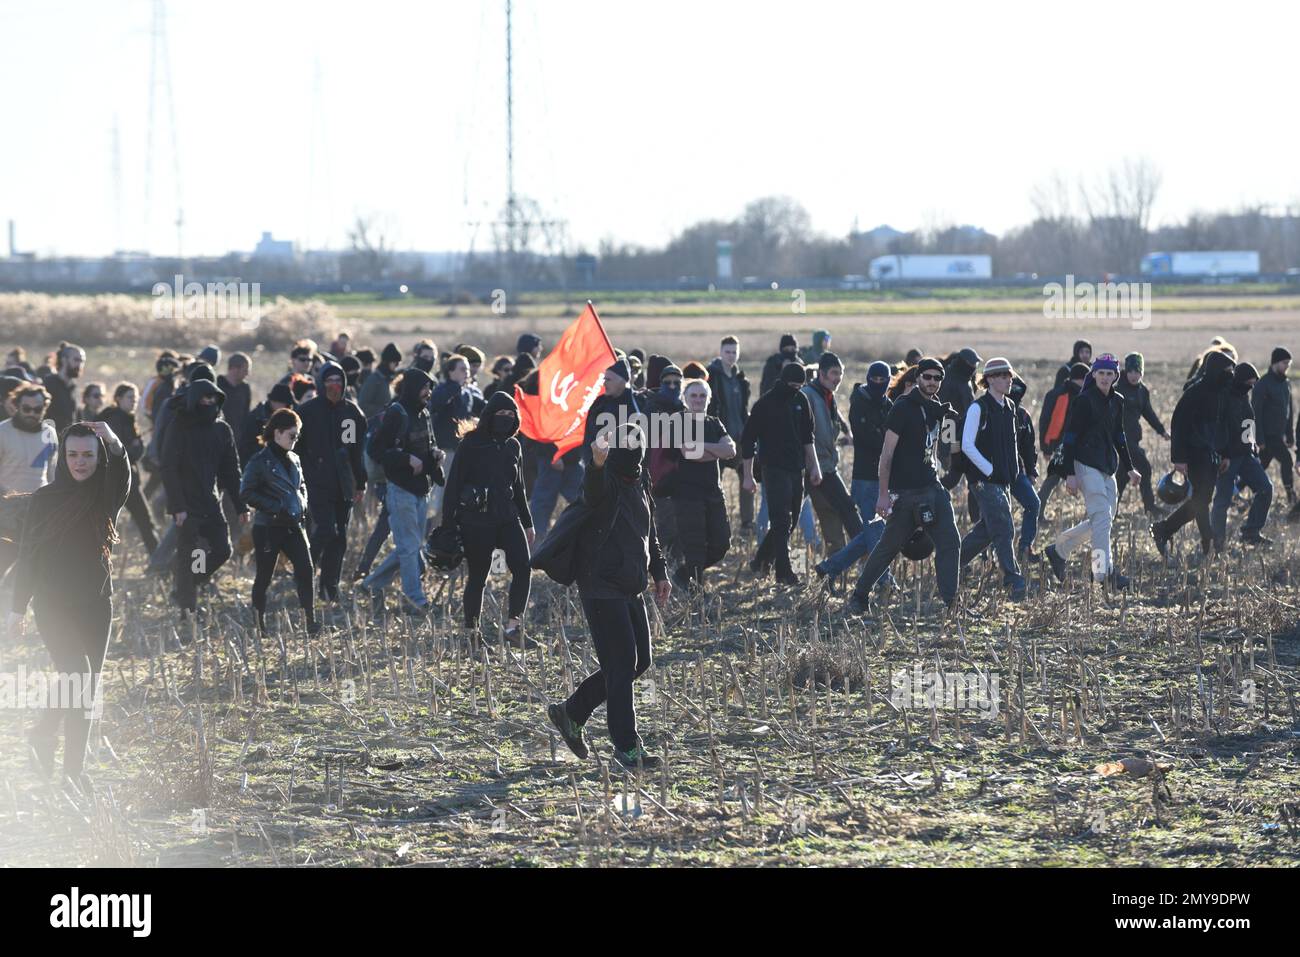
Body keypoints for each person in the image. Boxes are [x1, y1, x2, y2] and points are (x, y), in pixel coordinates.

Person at [7, 420, 131, 786]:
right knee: (78, 676)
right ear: (64, 456)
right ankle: (51, 746)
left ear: (98, 457)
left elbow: (122, 472)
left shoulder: (105, 495)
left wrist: (111, 437)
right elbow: (28, 555)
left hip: (96, 604)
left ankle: (70, 769)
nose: (80, 462)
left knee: (85, 686)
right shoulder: (45, 499)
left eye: (88, 455)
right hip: (52, 606)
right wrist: (18, 608)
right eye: (73, 454)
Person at [546, 424, 671, 771]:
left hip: (631, 586)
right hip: (600, 587)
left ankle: (571, 712)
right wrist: (597, 464)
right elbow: (592, 488)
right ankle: (627, 748)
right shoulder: (605, 483)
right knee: (620, 667)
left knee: (638, 662)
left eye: (638, 447)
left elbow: (651, 533)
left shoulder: (641, 481)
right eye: (626, 448)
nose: (634, 455)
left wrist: (659, 572)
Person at [844, 357, 961, 615]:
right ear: (918, 377)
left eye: (937, 378)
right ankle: (859, 596)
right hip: (906, 493)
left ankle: (952, 603)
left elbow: (946, 445)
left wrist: (952, 437)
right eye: (927, 377)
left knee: (951, 542)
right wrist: (883, 496)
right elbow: (886, 456)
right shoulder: (903, 408)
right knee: (888, 548)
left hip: (932, 488)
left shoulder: (936, 409)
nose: (932, 382)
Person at [440, 391, 535, 645]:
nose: (505, 419)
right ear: (489, 416)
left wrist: (528, 523)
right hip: (477, 522)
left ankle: (514, 628)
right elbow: (453, 486)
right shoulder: (471, 444)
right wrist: (448, 525)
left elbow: (520, 488)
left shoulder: (514, 446)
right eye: (500, 414)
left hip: (507, 519)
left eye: (510, 415)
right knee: (479, 577)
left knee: (524, 569)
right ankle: (472, 634)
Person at [1042, 354, 1141, 589]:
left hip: (1107, 466)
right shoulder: (1084, 401)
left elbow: (1119, 436)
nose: (1105, 377)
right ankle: (1103, 574)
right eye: (1101, 373)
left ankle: (1059, 550)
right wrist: (1070, 474)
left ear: (1116, 376)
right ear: (1094, 374)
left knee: (1103, 519)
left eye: (1110, 373)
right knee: (1102, 519)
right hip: (1084, 464)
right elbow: (1070, 438)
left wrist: (1130, 468)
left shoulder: (1118, 400)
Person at [161, 378, 248, 617]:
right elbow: (168, 468)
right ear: (194, 399)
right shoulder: (179, 426)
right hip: (187, 506)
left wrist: (241, 505)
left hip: (211, 502)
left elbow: (231, 470)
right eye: (204, 398)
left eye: (213, 399)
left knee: (222, 550)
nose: (209, 403)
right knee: (191, 555)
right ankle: (187, 609)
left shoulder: (222, 430)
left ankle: (183, 583)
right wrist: (178, 507)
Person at [362, 367, 444, 617]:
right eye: (423, 387)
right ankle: (415, 598)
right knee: (409, 547)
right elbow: (377, 450)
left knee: (410, 546)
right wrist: (405, 458)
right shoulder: (396, 413)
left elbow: (428, 444)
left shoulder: (425, 413)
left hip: (422, 488)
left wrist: (435, 455)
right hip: (400, 490)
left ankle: (372, 583)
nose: (427, 392)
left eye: (429, 387)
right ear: (411, 388)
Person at [813, 360, 893, 590]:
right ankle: (883, 580)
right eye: (875, 379)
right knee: (876, 534)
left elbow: (890, 434)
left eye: (882, 380)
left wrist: (886, 437)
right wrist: (886, 439)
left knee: (867, 536)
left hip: (883, 478)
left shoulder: (887, 403)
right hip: (866, 479)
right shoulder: (860, 402)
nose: (878, 384)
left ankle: (828, 568)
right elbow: (869, 438)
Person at [741, 362, 821, 586]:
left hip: (797, 468)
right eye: (792, 385)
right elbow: (747, 440)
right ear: (783, 382)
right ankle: (784, 573)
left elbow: (808, 437)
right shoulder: (765, 404)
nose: (796, 389)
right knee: (780, 519)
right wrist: (747, 475)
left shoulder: (801, 400)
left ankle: (759, 561)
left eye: (800, 386)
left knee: (791, 519)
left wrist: (814, 467)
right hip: (773, 469)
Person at [1152, 349, 1236, 560]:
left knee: (1202, 498)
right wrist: (1178, 458)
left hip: (1213, 453)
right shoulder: (1195, 392)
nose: (1230, 374)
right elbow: (1178, 424)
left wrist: (1226, 453)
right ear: (1216, 370)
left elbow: (1224, 425)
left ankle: (1204, 540)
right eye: (1227, 370)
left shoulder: (1223, 392)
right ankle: (1168, 530)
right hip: (1194, 453)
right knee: (1202, 497)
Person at [240, 408, 316, 637]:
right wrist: (277, 507)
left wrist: (301, 504)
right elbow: (246, 492)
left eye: (298, 436)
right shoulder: (259, 461)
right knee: (264, 575)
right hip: (268, 528)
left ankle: (310, 622)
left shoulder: (295, 458)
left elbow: (301, 486)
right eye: (292, 435)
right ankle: (258, 624)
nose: (295, 440)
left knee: (306, 569)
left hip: (293, 525)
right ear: (277, 433)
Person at [295, 361, 367, 603]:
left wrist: (360, 482)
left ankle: (329, 587)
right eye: (329, 381)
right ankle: (303, 573)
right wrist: (305, 473)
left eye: (338, 381)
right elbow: (297, 449)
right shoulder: (307, 412)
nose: (334, 386)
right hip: (316, 482)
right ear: (321, 383)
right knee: (325, 529)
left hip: (344, 484)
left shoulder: (352, 414)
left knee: (340, 537)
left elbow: (356, 451)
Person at [956, 357, 1027, 601]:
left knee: (988, 530)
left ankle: (952, 563)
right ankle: (1012, 577)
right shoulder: (979, 408)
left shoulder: (1009, 407)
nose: (1009, 380)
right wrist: (989, 470)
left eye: (1009, 375)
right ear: (991, 379)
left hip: (1003, 480)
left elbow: (1013, 444)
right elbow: (967, 445)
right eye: (1004, 376)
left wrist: (1014, 470)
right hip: (984, 481)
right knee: (1005, 527)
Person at [669, 378, 734, 590]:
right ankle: (695, 591)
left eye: (702, 395)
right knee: (694, 546)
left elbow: (731, 451)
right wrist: (716, 450)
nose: (698, 399)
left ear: (709, 399)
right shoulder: (677, 420)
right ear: (684, 398)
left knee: (722, 543)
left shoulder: (714, 423)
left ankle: (683, 574)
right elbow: (689, 453)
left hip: (714, 492)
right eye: (693, 395)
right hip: (687, 494)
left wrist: (703, 447)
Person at [802, 352, 862, 555]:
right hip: (817, 465)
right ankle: (866, 552)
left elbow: (834, 421)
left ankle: (835, 557)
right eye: (834, 373)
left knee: (828, 511)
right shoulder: (808, 395)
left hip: (825, 462)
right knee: (847, 508)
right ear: (821, 374)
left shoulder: (828, 395)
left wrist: (847, 434)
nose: (838, 378)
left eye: (840, 373)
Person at [1210, 363, 1272, 550]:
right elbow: (1219, 429)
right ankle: (1218, 544)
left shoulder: (1243, 395)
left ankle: (1251, 532)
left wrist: (1252, 446)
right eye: (1249, 383)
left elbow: (1248, 420)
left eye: (1253, 384)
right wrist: (1224, 455)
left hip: (1246, 455)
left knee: (1265, 488)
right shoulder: (1223, 397)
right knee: (1222, 501)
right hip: (1227, 459)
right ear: (1240, 381)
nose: (1251, 387)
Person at [95, 383, 158, 555]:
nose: (134, 402)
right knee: (110, 524)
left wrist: (136, 446)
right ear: (118, 399)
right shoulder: (115, 419)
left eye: (136, 399)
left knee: (145, 522)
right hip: (118, 481)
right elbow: (119, 453)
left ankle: (158, 561)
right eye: (130, 398)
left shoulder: (125, 418)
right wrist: (137, 447)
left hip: (128, 480)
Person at [706, 336, 753, 531]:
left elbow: (743, 409)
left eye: (734, 352)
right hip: (718, 439)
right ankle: (715, 522)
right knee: (714, 482)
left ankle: (747, 523)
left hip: (739, 438)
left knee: (746, 478)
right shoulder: (711, 376)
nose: (731, 356)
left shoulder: (741, 380)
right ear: (720, 352)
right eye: (728, 352)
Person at [1115, 352, 1168, 516]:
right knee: (1145, 468)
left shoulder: (1142, 391)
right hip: (1122, 438)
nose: (1133, 375)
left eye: (1137, 372)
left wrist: (1162, 431)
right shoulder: (1117, 389)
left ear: (1141, 373)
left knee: (1122, 476)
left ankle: (1112, 509)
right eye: (1130, 371)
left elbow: (1148, 413)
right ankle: (1150, 506)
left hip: (1134, 439)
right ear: (1126, 371)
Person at [1037, 362, 1089, 513]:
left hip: (1074, 445)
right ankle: (1037, 513)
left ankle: (1037, 513)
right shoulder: (1061, 395)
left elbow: (1044, 422)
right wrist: (1046, 447)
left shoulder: (1077, 394)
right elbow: (1048, 422)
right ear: (1081, 379)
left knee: (1052, 481)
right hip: (1064, 446)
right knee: (1052, 480)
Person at [1252, 347, 1294, 507]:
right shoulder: (1262, 384)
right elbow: (1256, 412)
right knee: (1287, 460)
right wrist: (1259, 439)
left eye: (1288, 364)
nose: (1287, 366)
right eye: (1284, 363)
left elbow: (1289, 411)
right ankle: (1291, 495)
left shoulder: (1286, 384)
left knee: (1260, 466)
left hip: (1279, 434)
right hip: (1268, 436)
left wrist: (1289, 435)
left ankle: (1237, 490)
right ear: (1275, 363)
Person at [1007, 375, 1041, 563]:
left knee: (1033, 504)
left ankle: (1025, 547)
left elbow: (1029, 447)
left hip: (1018, 472)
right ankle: (989, 555)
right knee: (995, 515)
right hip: (992, 475)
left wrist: (1031, 471)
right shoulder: (986, 410)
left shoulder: (1023, 416)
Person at [0, 383, 58, 495]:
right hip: (6, 505)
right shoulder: (2, 431)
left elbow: (52, 473)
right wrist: (8, 495)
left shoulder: (49, 433)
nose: (31, 413)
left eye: (37, 409)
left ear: (44, 408)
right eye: (26, 409)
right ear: (17, 406)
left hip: (39, 503)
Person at [41, 342, 85, 435]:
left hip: (68, 444)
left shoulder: (74, 388)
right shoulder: (48, 384)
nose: (80, 364)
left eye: (82, 361)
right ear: (64, 360)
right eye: (76, 360)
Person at [218, 353, 253, 450]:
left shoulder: (245, 388)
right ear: (234, 368)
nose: (247, 374)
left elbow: (246, 413)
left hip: (237, 440)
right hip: (219, 438)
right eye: (245, 370)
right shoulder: (217, 386)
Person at [358, 343, 403, 419]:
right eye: (396, 363)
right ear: (388, 362)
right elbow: (363, 405)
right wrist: (385, 411)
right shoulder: (374, 380)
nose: (397, 366)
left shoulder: (386, 379)